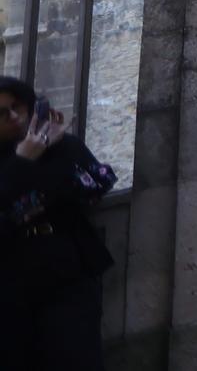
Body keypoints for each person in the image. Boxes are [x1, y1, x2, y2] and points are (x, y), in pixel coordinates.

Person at [1, 77, 117, 369]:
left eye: (17, 107)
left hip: (66, 272)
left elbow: (99, 180)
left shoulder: (60, 146)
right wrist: (22, 161)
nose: (14, 117)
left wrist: (55, 150)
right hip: (10, 281)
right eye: (2, 113)